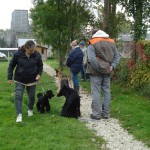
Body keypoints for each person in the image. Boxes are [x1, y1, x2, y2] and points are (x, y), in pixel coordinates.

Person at [86, 29, 120, 120]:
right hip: (108, 71)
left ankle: (96, 115)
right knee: (106, 92)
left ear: (94, 35)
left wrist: (99, 68)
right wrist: (112, 66)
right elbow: (117, 57)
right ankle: (105, 114)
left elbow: (92, 59)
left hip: (95, 72)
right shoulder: (112, 42)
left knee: (96, 92)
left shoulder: (92, 43)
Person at [8, 40, 43, 123]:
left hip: (32, 80)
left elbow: (40, 66)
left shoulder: (37, 55)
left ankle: (30, 109)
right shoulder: (18, 54)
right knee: (18, 96)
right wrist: (9, 77)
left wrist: (39, 74)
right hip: (19, 79)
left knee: (31, 97)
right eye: (31, 50)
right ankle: (19, 115)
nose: (33, 52)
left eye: (34, 50)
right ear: (26, 48)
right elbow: (11, 66)